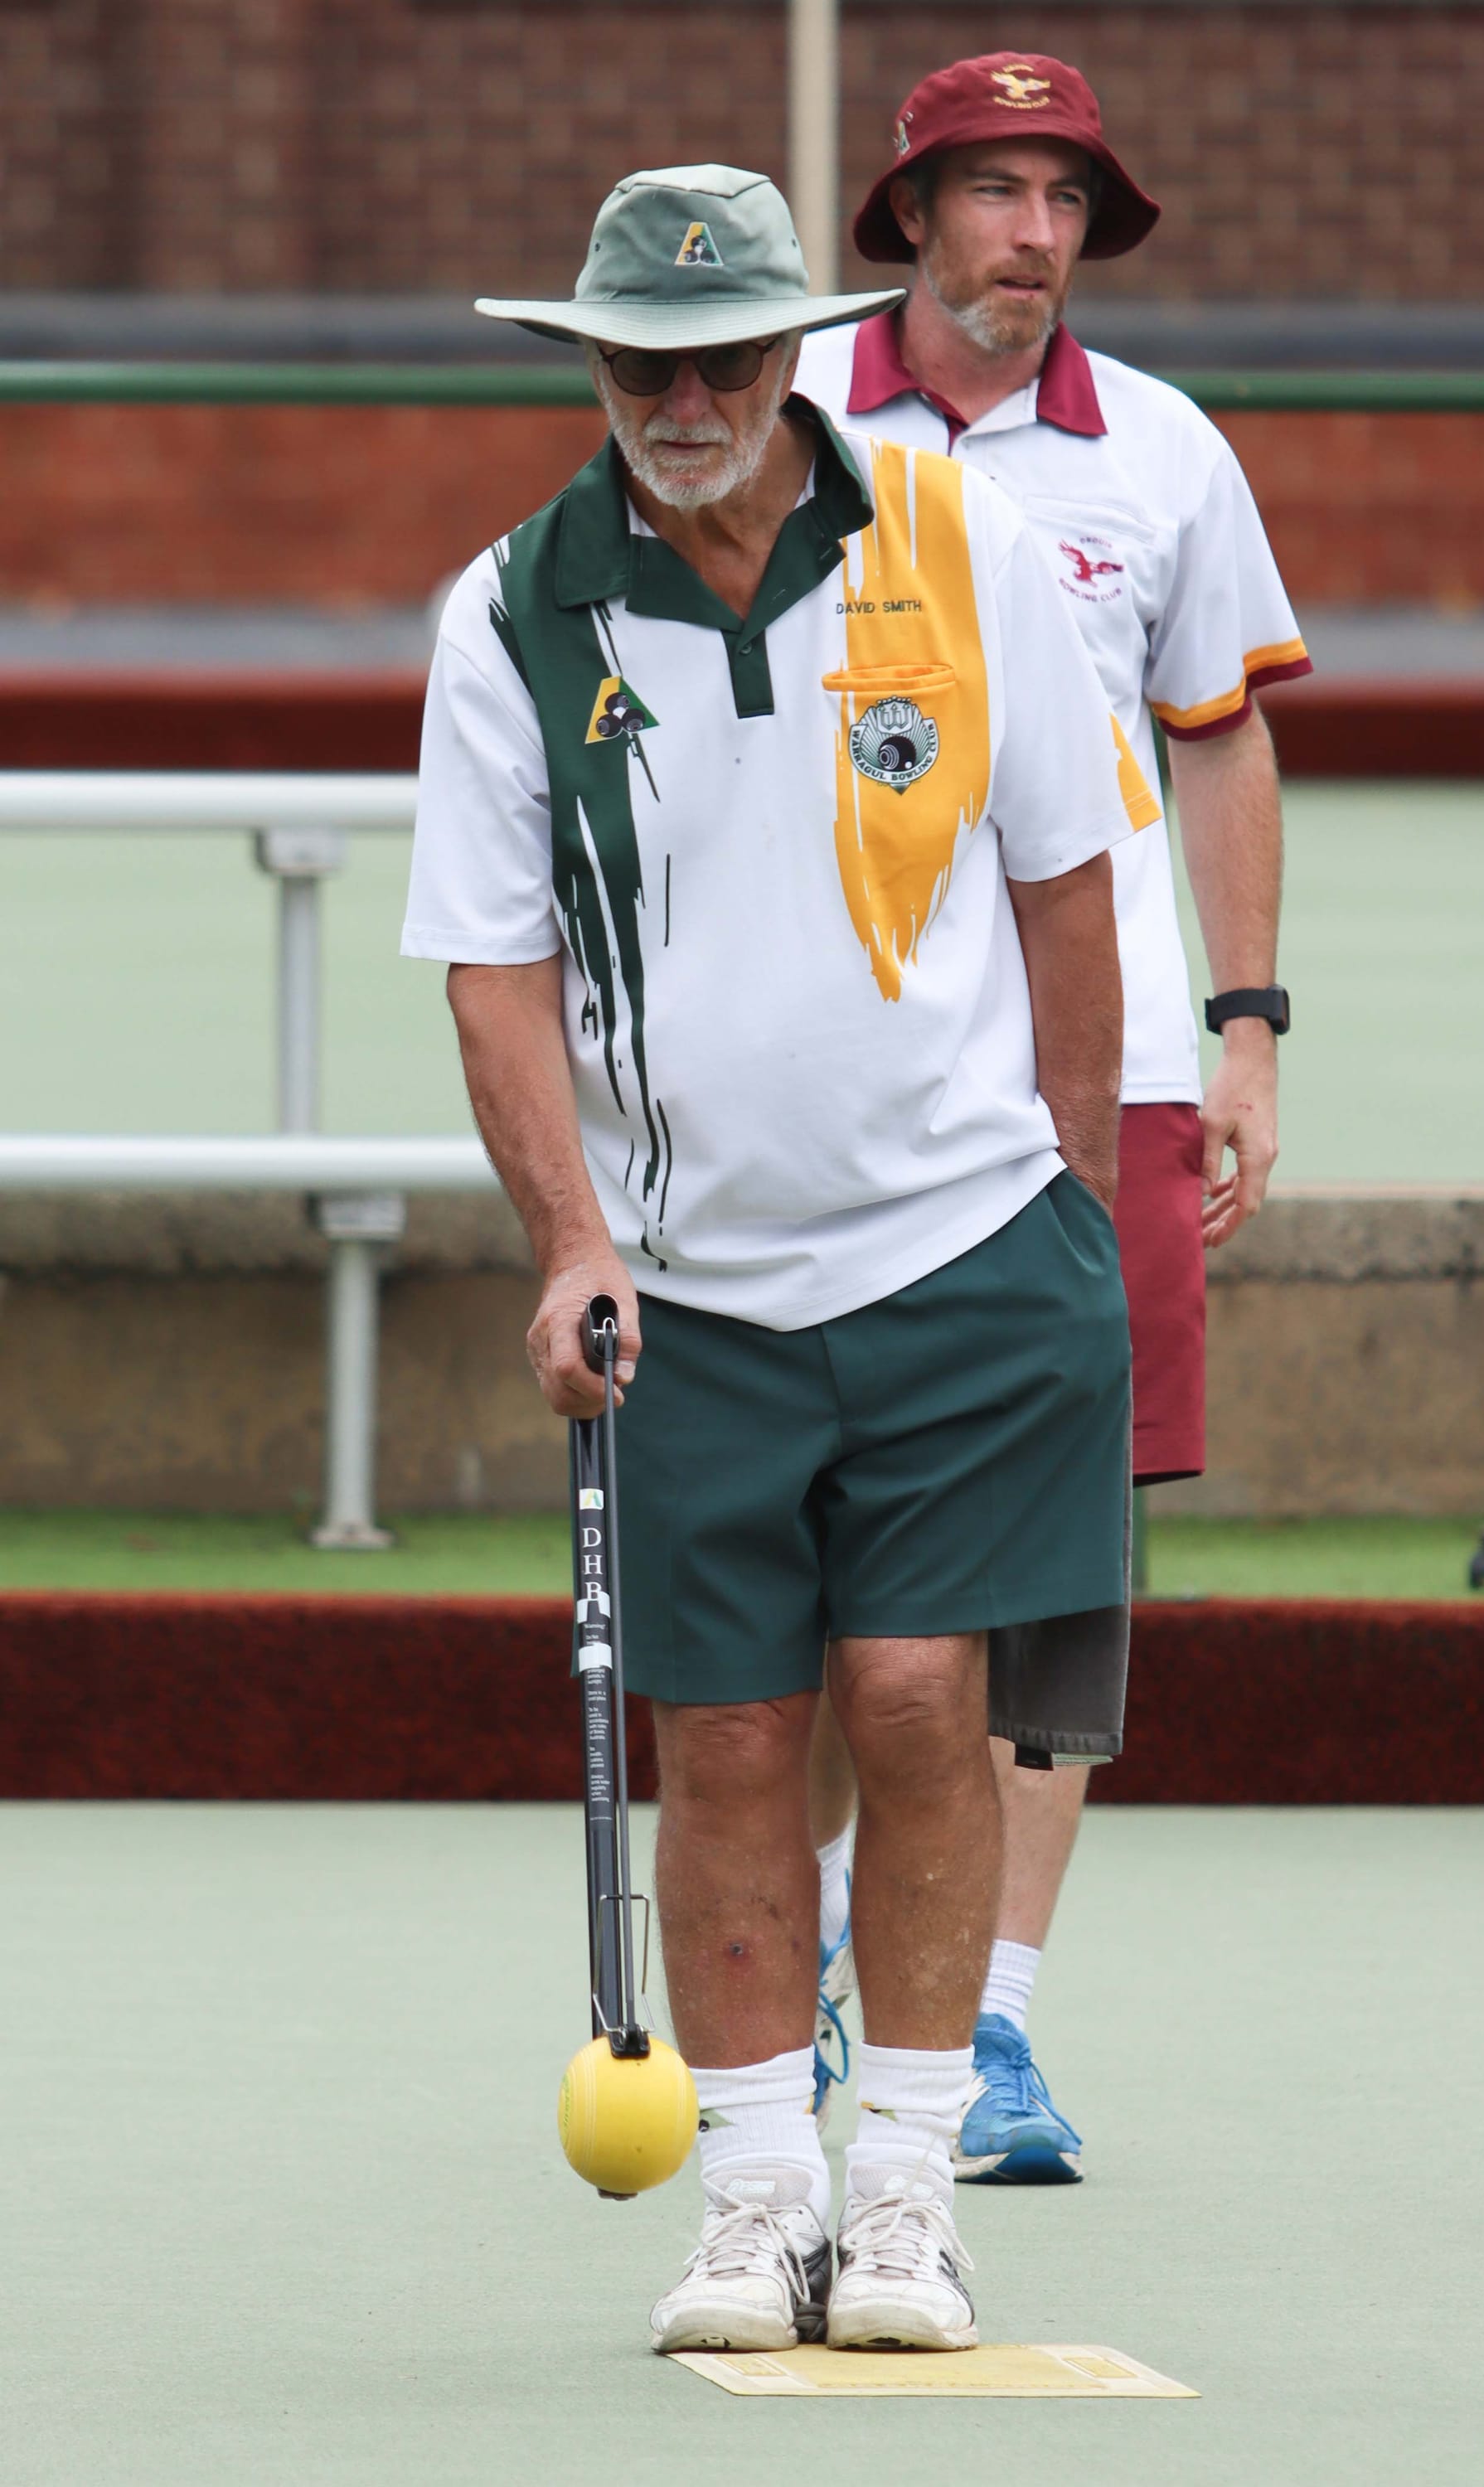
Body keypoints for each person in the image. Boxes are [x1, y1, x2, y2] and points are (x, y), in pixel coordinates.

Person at [403, 164, 1152, 2352]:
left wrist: (1073, 1206)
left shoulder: (959, 544)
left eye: (729, 356)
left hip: (959, 1248)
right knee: (729, 1745)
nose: (692, 395)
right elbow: (495, 969)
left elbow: (1068, 894)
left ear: (794, 350)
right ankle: (753, 2198)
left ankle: (904, 2196)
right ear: (596, 365)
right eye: (649, 360)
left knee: (922, 1702)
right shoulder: (516, 613)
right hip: (694, 1291)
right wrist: (570, 1246)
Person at [797, 54, 1307, 2184]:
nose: (1030, 229)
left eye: (1062, 195)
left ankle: (989, 2020)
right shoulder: (774, 406)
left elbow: (1219, 751)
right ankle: (823, 1958)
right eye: (989, 189)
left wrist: (1251, 1024)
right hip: (830, 1071)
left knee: (1060, 1560)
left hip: (1117, 1092)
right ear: (909, 213)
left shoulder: (1163, 452)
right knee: (829, 1556)